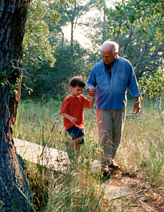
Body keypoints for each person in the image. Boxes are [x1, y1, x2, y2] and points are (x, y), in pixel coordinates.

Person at [87, 40, 141, 174]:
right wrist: (90, 89)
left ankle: (110, 160)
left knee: (117, 135)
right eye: (102, 56)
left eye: (108, 56)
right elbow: (90, 83)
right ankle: (104, 164)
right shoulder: (97, 67)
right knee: (105, 134)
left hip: (119, 105)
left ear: (115, 54)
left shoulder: (125, 65)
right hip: (103, 105)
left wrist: (137, 101)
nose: (104, 59)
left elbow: (132, 84)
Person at [60, 77, 95, 153]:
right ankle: (68, 148)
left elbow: (89, 105)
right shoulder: (68, 99)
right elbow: (62, 112)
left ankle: (76, 159)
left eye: (81, 90)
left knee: (79, 143)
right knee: (80, 136)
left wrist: (92, 96)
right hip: (70, 124)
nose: (79, 92)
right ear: (71, 88)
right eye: (78, 90)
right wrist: (71, 118)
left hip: (80, 124)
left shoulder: (81, 98)